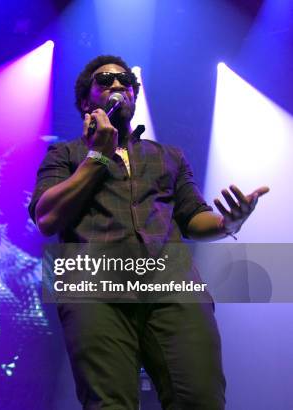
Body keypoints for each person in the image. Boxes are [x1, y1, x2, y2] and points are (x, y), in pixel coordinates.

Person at [29, 55, 268, 409]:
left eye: (124, 81)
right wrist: (97, 157)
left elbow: (194, 217)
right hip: (95, 289)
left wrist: (227, 223)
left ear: (134, 98)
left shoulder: (168, 156)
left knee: (201, 399)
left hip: (172, 287)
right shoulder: (65, 154)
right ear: (85, 101)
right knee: (110, 404)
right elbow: (46, 217)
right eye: (105, 80)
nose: (117, 85)